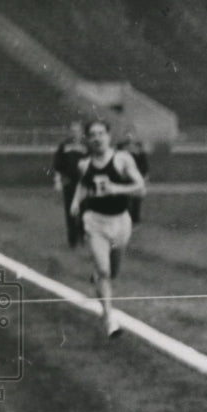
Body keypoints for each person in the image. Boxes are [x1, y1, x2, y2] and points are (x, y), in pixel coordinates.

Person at [69, 119, 146, 338]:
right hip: (95, 222)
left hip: (121, 222)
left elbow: (141, 189)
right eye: (92, 134)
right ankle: (109, 319)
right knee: (104, 271)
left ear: (109, 136)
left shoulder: (122, 159)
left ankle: (101, 280)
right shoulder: (85, 164)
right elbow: (83, 184)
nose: (97, 138)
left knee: (112, 271)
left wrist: (116, 189)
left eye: (101, 133)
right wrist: (76, 202)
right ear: (88, 139)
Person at [51, 120, 89, 248]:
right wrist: (57, 180)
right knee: (70, 211)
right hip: (69, 182)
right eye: (72, 131)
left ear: (81, 132)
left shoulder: (86, 146)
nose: (74, 134)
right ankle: (72, 240)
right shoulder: (64, 146)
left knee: (84, 210)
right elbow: (57, 164)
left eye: (77, 131)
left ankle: (81, 234)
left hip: (83, 183)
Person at [118, 131, 150, 223]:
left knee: (136, 200)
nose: (129, 136)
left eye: (131, 134)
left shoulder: (139, 150)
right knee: (124, 199)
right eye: (127, 134)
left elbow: (144, 165)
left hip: (136, 178)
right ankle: (124, 218)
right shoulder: (120, 148)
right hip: (124, 178)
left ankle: (135, 219)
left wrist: (145, 177)